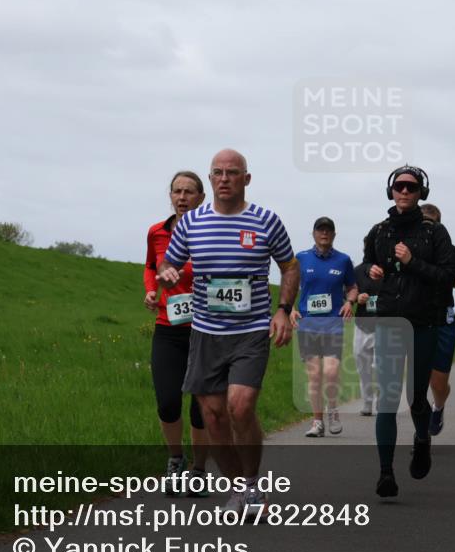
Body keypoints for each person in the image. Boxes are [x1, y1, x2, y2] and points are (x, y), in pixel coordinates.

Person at [158, 149, 299, 512]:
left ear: (246, 179)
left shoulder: (266, 221)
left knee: (240, 406)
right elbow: (169, 263)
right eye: (218, 172)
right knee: (214, 415)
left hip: (251, 329)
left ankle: (252, 485)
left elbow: (289, 266)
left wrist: (283, 311)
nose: (224, 179)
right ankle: (239, 488)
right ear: (210, 179)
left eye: (232, 173)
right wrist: (167, 274)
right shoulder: (192, 223)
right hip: (206, 332)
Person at [362, 165, 454, 497]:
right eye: (399, 186)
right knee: (388, 399)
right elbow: (365, 269)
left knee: (416, 397)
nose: (404, 191)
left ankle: (422, 439)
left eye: (411, 187)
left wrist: (413, 261)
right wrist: (370, 272)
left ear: (421, 193)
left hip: (424, 323)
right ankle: (385, 473)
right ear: (391, 191)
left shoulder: (434, 233)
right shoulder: (378, 232)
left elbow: (447, 277)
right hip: (389, 322)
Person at [144, 171, 211, 496]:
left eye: (189, 192)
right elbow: (150, 267)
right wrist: (151, 290)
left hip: (206, 330)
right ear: (170, 195)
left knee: (201, 408)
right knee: (168, 402)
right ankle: (175, 460)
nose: (182, 197)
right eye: (177, 191)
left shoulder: (211, 232)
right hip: (168, 328)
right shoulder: (157, 232)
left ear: (201, 198)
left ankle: (199, 470)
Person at [291, 217, 358, 437]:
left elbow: (353, 287)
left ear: (334, 235)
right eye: (320, 230)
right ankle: (317, 422)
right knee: (314, 376)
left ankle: (333, 410)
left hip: (333, 325)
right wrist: (290, 308)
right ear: (313, 233)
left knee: (330, 372)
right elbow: (290, 285)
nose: (324, 233)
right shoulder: (301, 258)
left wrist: (349, 302)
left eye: (328, 230)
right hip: (308, 325)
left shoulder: (343, 260)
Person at [420, 203, 455, 437]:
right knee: (416, 382)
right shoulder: (407, 247)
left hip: (443, 319)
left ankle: (439, 407)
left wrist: (446, 278)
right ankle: (421, 434)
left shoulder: (450, 251)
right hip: (415, 318)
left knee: (438, 384)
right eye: (422, 222)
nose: (427, 227)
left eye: (431, 223)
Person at [352, 262, 382, 416]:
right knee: (363, 367)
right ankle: (367, 402)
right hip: (362, 325)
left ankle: (381, 401)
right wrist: (357, 297)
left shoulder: (390, 268)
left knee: (379, 367)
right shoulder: (357, 271)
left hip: (384, 326)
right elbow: (347, 291)